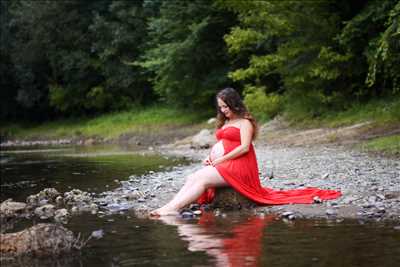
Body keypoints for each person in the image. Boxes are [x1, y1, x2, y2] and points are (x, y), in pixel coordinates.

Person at [150, 88, 341, 216]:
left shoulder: (245, 122)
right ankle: (171, 207)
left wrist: (220, 159)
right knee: (193, 177)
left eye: (226, 106)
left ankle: (172, 209)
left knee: (201, 179)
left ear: (235, 104)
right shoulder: (227, 121)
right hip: (225, 163)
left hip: (240, 166)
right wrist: (210, 158)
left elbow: (244, 147)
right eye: (221, 107)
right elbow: (223, 141)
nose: (223, 110)